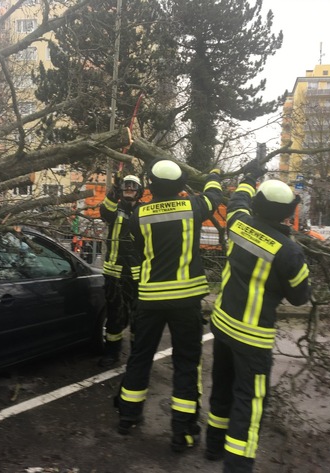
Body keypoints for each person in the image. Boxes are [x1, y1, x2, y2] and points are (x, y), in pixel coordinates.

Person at [205, 169, 311, 472]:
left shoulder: (238, 224)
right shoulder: (290, 252)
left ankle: (213, 445)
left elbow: (238, 199)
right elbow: (300, 297)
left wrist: (249, 179)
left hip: (223, 325)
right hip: (253, 340)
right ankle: (237, 466)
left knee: (222, 388)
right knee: (249, 404)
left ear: (258, 204)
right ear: (288, 213)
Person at [115, 159, 224, 453]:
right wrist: (213, 174)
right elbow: (215, 196)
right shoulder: (193, 206)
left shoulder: (139, 213)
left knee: (140, 356)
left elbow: (138, 249)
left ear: (149, 185)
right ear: (180, 187)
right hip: (185, 300)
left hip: (150, 298)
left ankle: (127, 416)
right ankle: (182, 432)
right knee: (186, 364)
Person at [98, 174, 144, 367]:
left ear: (139, 191)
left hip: (137, 276)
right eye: (126, 187)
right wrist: (113, 192)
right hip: (114, 274)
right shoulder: (114, 209)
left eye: (133, 188)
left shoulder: (144, 211)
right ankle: (112, 354)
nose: (129, 190)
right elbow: (104, 211)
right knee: (115, 317)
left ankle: (137, 356)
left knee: (138, 319)